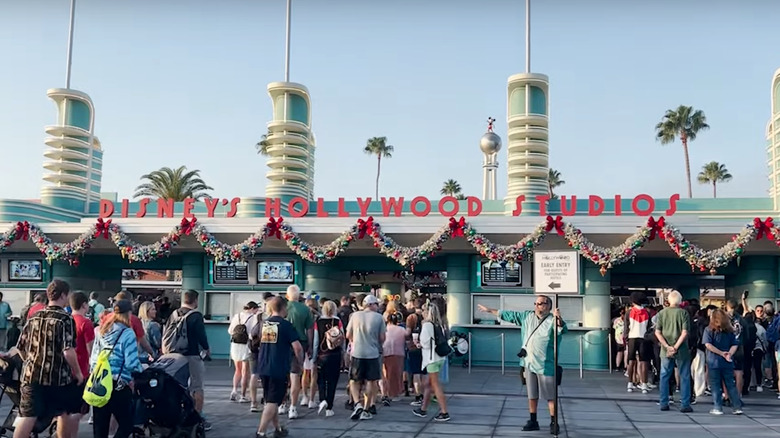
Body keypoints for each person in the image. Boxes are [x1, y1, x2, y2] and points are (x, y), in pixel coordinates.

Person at [479, 295, 567, 435]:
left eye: (541, 304)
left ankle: (553, 421)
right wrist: (490, 310)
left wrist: (559, 319)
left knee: (551, 395)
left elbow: (562, 329)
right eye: (536, 303)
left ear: (548, 306)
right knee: (532, 394)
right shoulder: (527, 316)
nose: (537, 306)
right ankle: (533, 420)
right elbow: (509, 315)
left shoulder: (552, 320)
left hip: (546, 364)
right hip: (528, 362)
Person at [14, 279, 83, 438]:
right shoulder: (65, 319)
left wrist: (32, 361)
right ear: (64, 295)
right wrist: (77, 372)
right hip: (57, 377)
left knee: (27, 416)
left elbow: (21, 347)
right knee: (63, 413)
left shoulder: (34, 317)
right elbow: (68, 351)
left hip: (31, 375)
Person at [90, 299, 142, 438]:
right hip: (118, 384)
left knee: (100, 426)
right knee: (127, 423)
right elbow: (131, 362)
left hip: (100, 381)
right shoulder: (127, 333)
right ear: (129, 313)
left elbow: (94, 358)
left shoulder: (101, 330)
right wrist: (140, 370)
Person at [255, 297, 303, 438]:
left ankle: (278, 429)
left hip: (263, 365)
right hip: (278, 366)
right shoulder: (286, 325)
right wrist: (299, 362)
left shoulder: (264, 323)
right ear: (283, 308)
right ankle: (261, 432)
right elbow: (298, 347)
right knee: (272, 401)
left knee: (272, 399)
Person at [165, 289, 211, 431]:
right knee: (197, 386)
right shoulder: (196, 315)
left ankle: (177, 413)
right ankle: (197, 418)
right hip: (191, 354)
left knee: (177, 385)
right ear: (195, 300)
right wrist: (206, 348)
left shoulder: (173, 314)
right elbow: (201, 335)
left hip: (173, 355)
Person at [346, 294, 386, 421]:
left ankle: (357, 403)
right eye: (376, 304)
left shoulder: (355, 316)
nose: (377, 307)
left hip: (357, 352)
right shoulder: (379, 318)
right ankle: (366, 409)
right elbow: (382, 338)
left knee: (354, 380)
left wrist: (355, 341)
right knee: (371, 381)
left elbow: (348, 335)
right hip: (372, 353)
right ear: (371, 305)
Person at [411, 301, 451, 422]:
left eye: (424, 311)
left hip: (431, 359)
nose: (422, 313)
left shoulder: (427, 325)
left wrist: (418, 344)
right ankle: (423, 409)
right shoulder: (439, 324)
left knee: (435, 385)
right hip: (439, 358)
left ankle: (444, 412)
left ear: (427, 312)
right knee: (428, 384)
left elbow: (425, 343)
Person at [655, 290, 693, 412]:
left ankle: (664, 402)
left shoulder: (661, 313)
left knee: (664, 375)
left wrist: (667, 346)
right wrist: (676, 347)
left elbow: (657, 332)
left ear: (668, 300)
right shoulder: (684, 313)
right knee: (685, 376)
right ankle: (685, 404)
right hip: (681, 350)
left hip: (665, 350)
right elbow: (685, 332)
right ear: (680, 301)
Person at [703, 309, 743, 415]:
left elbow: (708, 345)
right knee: (730, 384)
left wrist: (721, 353)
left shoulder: (708, 330)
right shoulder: (730, 331)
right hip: (727, 361)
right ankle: (737, 406)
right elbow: (735, 344)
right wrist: (729, 354)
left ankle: (718, 407)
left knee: (716, 385)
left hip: (713, 361)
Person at [282, 285, 313, 419]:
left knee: (283, 376)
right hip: (300, 343)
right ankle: (293, 408)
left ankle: (282, 404)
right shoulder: (306, 309)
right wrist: (310, 346)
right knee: (296, 376)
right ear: (299, 295)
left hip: (283, 344)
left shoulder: (282, 307)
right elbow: (310, 330)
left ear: (287, 295)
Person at [312, 300, 343, 417]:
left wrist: (314, 357)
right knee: (332, 381)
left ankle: (322, 399)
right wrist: (343, 353)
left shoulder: (318, 322)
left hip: (322, 354)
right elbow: (342, 338)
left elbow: (316, 341)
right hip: (335, 355)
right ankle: (329, 407)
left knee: (321, 379)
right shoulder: (338, 321)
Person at [228, 301, 260, 403]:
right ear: (252, 309)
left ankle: (234, 390)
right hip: (246, 345)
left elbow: (230, 330)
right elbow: (253, 332)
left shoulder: (236, 316)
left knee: (237, 369)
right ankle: (243, 395)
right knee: (245, 371)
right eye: (256, 310)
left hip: (235, 344)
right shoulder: (253, 318)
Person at [625, 292, 652, 394]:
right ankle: (644, 384)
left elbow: (626, 328)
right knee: (644, 362)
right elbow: (649, 327)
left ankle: (630, 383)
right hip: (643, 339)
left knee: (631, 361)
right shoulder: (646, 312)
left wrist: (626, 339)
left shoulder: (629, 312)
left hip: (632, 338)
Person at [381, 312, 406, 404]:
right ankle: (395, 393)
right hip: (399, 353)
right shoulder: (401, 329)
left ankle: (386, 392)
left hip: (386, 352)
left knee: (386, 374)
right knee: (397, 374)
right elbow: (407, 336)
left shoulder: (385, 329)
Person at [612, 307, 626, 372]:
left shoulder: (628, 320)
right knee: (619, 352)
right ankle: (618, 366)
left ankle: (625, 367)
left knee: (626, 353)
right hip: (618, 338)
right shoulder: (617, 320)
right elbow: (615, 327)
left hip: (626, 338)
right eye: (623, 313)